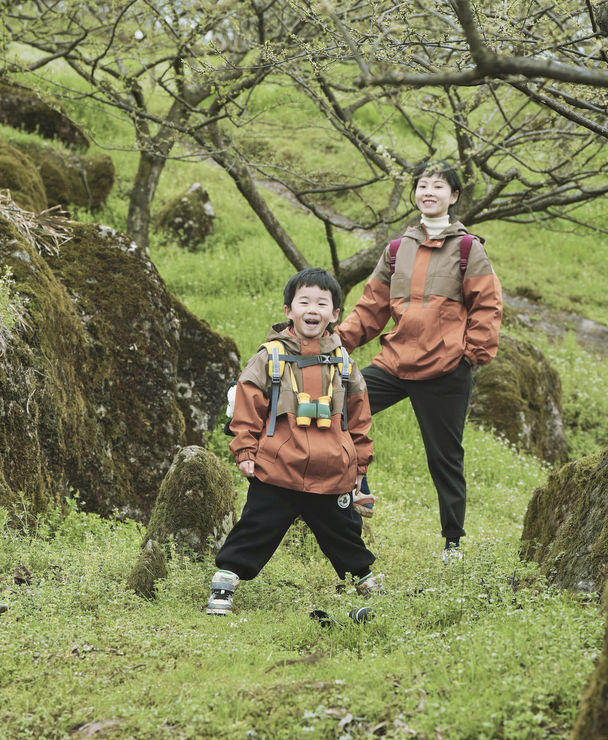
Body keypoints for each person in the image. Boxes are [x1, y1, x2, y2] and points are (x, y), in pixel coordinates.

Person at [336, 162, 503, 562]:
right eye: (423, 185)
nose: (429, 192)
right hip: (395, 362)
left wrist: (471, 355)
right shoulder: (397, 249)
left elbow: (488, 306)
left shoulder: (467, 249)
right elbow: (371, 307)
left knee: (445, 457)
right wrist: (336, 343)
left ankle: (453, 543)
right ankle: (357, 490)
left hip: (446, 368)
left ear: (454, 196)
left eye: (439, 186)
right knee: (337, 403)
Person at [206, 267, 380, 615]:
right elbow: (247, 405)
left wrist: (359, 466)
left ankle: (367, 583)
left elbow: (359, 421)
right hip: (277, 469)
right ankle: (224, 584)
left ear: (335, 314)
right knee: (255, 527)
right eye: (303, 302)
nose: (311, 310)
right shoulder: (269, 357)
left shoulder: (344, 363)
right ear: (289, 309)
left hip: (331, 471)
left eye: (321, 303)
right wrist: (244, 450)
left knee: (345, 533)